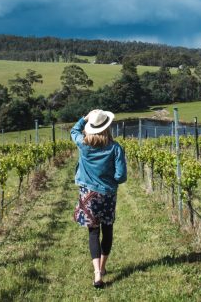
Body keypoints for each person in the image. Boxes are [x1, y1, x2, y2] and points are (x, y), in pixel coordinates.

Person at [71, 109, 127, 289]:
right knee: (107, 229)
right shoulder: (115, 148)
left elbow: (73, 131)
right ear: (107, 127)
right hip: (108, 194)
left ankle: (96, 273)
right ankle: (102, 268)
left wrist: (84, 117)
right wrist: (110, 179)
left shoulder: (83, 144)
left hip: (88, 194)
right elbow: (121, 176)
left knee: (93, 232)